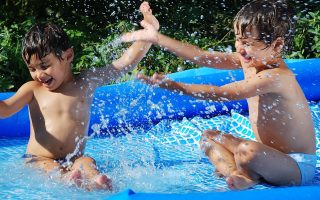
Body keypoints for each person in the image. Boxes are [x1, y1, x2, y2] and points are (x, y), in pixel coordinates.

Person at [121, 0, 316, 190]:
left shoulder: (275, 77)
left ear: (277, 45)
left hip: (295, 167)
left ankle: (248, 175)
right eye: (238, 39)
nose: (240, 48)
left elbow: (224, 93)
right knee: (209, 138)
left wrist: (176, 86)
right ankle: (236, 175)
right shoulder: (250, 60)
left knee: (247, 151)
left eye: (247, 42)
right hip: (268, 156)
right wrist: (156, 38)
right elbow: (203, 56)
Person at [0, 1, 159, 191]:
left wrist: (150, 30)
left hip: (72, 159)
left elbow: (125, 62)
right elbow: (5, 110)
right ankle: (68, 180)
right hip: (38, 159)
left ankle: (97, 181)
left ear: (68, 56)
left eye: (44, 65)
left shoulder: (86, 83)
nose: (38, 74)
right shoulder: (32, 89)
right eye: (32, 69)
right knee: (49, 167)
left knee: (87, 162)